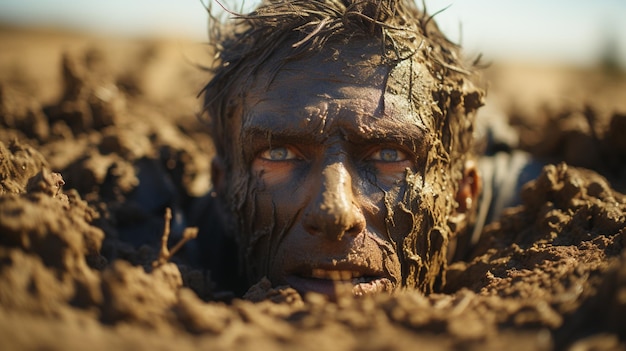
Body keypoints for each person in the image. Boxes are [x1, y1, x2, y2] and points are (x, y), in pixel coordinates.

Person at [193, 0, 537, 299]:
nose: (335, 215)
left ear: (463, 195)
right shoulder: (169, 235)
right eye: (278, 153)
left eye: (389, 154)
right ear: (222, 190)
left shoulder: (535, 206)